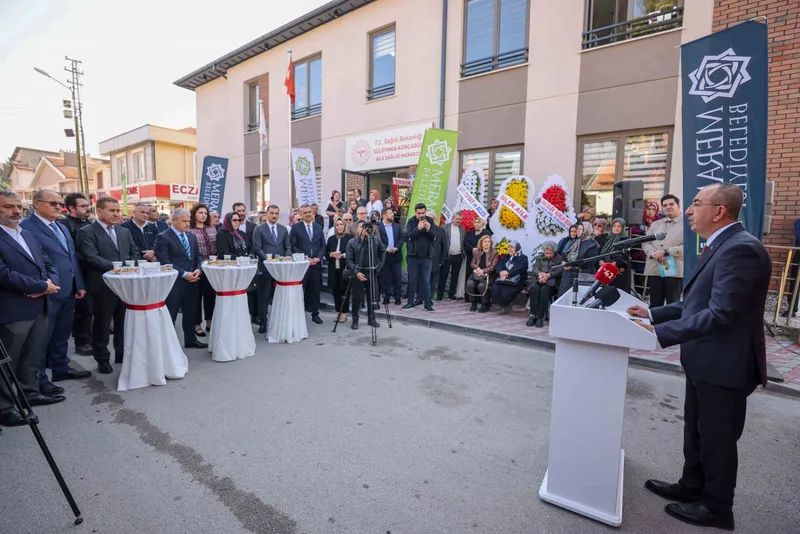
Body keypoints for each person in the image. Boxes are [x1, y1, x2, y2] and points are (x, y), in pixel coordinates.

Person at [628, 184, 771, 530]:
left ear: (719, 211)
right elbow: (697, 302)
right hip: (705, 361)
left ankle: (717, 508)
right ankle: (692, 487)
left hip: (725, 365)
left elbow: (720, 313)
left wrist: (661, 334)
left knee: (717, 439)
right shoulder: (722, 244)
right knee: (697, 431)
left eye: (695, 204)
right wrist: (652, 314)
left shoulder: (741, 249)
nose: (689, 211)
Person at [0, 190, 64, 427]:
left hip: (40, 304)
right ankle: (5, 408)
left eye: (18, 206)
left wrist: (50, 284)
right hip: (14, 309)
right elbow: (3, 274)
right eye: (8, 207)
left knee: (32, 353)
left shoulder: (25, 233)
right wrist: (41, 286)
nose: (16, 211)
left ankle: (30, 393)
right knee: (9, 361)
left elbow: (47, 262)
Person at [21, 189, 92, 396]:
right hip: (47, 291)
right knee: (42, 339)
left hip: (68, 289)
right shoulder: (26, 227)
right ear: (36, 204)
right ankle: (40, 379)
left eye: (60, 204)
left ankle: (60, 368)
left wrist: (79, 283)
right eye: (53, 203)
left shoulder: (60, 227)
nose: (59, 208)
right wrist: (40, 285)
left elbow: (71, 258)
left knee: (61, 334)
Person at [77, 196, 140, 374]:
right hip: (102, 285)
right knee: (103, 324)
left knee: (123, 322)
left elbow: (134, 251)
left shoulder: (123, 231)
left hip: (125, 285)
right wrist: (117, 267)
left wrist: (128, 266)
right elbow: (90, 256)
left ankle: (121, 354)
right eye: (112, 210)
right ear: (99, 211)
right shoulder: (87, 231)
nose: (116, 214)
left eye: (118, 210)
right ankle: (102, 358)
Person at [154, 209, 207, 350]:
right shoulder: (163, 237)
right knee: (171, 313)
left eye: (189, 221)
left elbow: (197, 256)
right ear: (174, 220)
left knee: (191, 312)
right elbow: (164, 261)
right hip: (175, 282)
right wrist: (184, 274)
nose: (187, 224)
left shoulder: (191, 236)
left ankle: (190, 339)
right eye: (184, 221)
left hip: (193, 280)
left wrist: (198, 269)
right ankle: (168, 345)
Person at [62, 192, 94, 356]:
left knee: (91, 308)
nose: (88, 208)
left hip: (91, 271)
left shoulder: (87, 223)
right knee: (83, 309)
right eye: (83, 206)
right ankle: (81, 341)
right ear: (71, 208)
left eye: (88, 205)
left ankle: (89, 338)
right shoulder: (65, 225)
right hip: (77, 272)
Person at [252, 205, 292, 333]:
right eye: (272, 213)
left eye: (276, 213)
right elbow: (257, 247)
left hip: (280, 268)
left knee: (278, 295)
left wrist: (286, 258)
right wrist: (267, 260)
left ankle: (278, 321)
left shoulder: (283, 229)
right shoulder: (259, 229)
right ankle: (263, 321)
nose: (274, 215)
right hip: (265, 268)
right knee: (264, 296)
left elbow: (288, 246)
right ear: (267, 214)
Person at [642, 194, 684, 307]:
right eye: (665, 205)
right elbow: (645, 242)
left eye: (671, 204)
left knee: (673, 304)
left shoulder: (688, 224)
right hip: (655, 267)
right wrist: (653, 253)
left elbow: (688, 246)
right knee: (654, 304)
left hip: (675, 269)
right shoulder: (656, 224)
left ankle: (671, 325)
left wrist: (666, 252)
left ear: (678, 206)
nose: (668, 207)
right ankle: (653, 325)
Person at [346, 221, 386, 330]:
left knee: (371, 296)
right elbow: (349, 259)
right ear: (358, 229)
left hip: (371, 272)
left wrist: (379, 266)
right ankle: (355, 318)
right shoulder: (352, 242)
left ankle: (371, 318)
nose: (364, 229)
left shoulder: (375, 240)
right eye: (362, 227)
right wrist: (356, 272)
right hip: (358, 273)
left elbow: (383, 251)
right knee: (356, 297)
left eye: (366, 227)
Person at [289, 204, 326, 324]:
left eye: (309, 212)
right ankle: (298, 314)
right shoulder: (296, 228)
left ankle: (315, 314)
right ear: (301, 214)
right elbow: (293, 245)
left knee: (315, 290)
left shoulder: (318, 227)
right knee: (301, 290)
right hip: (302, 265)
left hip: (316, 265)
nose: (308, 214)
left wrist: (318, 258)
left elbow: (322, 245)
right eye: (305, 213)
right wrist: (305, 258)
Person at [188, 203, 217, 337]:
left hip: (211, 267)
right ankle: (197, 324)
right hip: (196, 267)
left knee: (210, 296)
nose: (203, 215)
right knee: (196, 297)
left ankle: (210, 321)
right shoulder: (190, 230)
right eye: (200, 213)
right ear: (194, 214)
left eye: (205, 213)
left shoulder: (212, 229)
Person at [403, 204, 436, 311]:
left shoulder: (430, 221)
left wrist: (429, 229)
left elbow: (435, 236)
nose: (421, 215)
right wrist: (418, 228)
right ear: (415, 212)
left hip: (427, 256)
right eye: (419, 213)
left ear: (425, 212)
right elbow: (408, 236)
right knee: (412, 280)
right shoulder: (411, 221)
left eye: (423, 213)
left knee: (426, 280)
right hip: (413, 256)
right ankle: (410, 302)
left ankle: (428, 304)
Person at [556, 221, 599, 298]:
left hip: (582, 275)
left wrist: (572, 265)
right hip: (568, 273)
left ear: (586, 230)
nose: (577, 231)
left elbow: (589, 262)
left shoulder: (592, 245)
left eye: (580, 229)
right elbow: (565, 254)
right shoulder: (576, 241)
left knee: (574, 297)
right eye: (578, 229)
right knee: (563, 295)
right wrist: (565, 262)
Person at [526, 241, 562, 328]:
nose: (548, 255)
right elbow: (535, 269)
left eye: (550, 253)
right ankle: (532, 315)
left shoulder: (559, 259)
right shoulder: (539, 258)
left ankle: (540, 316)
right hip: (539, 280)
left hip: (552, 283)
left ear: (554, 252)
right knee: (535, 289)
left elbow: (559, 271)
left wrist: (549, 275)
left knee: (544, 290)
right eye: (546, 253)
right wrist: (540, 275)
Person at [490, 241, 528, 314]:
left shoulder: (523, 258)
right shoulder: (506, 257)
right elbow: (499, 265)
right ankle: (503, 305)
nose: (510, 249)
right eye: (509, 247)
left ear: (517, 248)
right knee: (495, 287)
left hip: (517, 280)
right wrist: (501, 273)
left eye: (512, 247)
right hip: (503, 279)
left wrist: (508, 273)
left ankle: (505, 306)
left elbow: (520, 268)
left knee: (507, 291)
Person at [326, 217, 352, 323]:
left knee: (344, 291)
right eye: (337, 225)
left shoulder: (349, 238)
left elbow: (351, 252)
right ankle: (339, 311)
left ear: (344, 226)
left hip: (344, 269)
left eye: (341, 224)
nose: (339, 227)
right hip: (333, 269)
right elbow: (326, 251)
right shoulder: (331, 238)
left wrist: (343, 255)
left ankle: (344, 313)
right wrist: (331, 254)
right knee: (335, 290)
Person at [378, 207, 404, 305]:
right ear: (384, 215)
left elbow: (402, 238)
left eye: (392, 213)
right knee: (385, 278)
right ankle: (386, 297)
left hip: (396, 255)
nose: (392, 214)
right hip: (385, 256)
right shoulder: (379, 227)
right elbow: (378, 240)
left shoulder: (397, 226)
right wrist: (385, 248)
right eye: (390, 213)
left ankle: (398, 297)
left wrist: (397, 247)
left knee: (397, 277)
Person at [466, 235, 498, 312]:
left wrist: (483, 271)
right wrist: (478, 269)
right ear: (481, 243)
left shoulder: (494, 252)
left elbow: (493, 266)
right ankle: (473, 303)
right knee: (469, 284)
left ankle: (484, 304)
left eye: (488, 242)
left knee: (482, 285)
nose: (487, 243)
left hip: (489, 275)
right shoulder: (477, 251)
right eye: (485, 241)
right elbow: (472, 263)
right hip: (477, 273)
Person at [438, 211, 466, 301]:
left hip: (458, 255)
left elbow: (463, 241)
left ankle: (451, 294)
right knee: (443, 275)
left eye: (460, 219)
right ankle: (440, 295)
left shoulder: (462, 229)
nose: (458, 221)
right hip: (447, 255)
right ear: (452, 218)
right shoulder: (445, 227)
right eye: (457, 218)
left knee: (455, 276)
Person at [600, 218, 632, 293]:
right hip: (606, 270)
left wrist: (612, 263)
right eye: (614, 226)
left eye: (619, 226)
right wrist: (601, 260)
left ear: (623, 228)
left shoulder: (625, 239)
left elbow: (624, 256)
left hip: (619, 272)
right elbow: (601, 253)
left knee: (618, 293)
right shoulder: (608, 238)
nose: (616, 228)